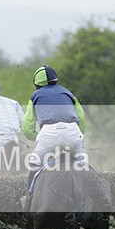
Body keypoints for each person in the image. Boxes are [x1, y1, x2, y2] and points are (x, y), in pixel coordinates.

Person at [19, 65, 86, 213]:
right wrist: (80, 135)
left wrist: (36, 137)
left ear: (37, 84)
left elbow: (27, 126)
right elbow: (81, 117)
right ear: (56, 80)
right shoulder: (68, 93)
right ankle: (89, 199)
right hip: (72, 131)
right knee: (83, 167)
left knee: (34, 165)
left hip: (48, 133)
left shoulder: (35, 96)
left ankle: (29, 200)